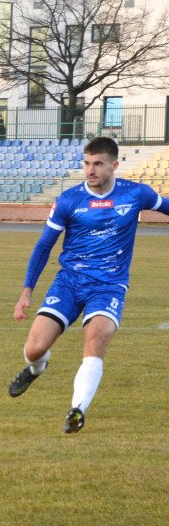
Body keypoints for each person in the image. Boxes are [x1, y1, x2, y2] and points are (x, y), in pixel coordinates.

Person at [9, 136, 169, 434]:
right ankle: (35, 369)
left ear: (114, 165)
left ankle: (77, 410)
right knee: (35, 348)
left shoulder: (137, 194)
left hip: (109, 286)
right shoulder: (69, 200)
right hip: (68, 283)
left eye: (98, 164)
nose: (90, 170)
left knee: (94, 341)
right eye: (86, 163)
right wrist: (26, 290)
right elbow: (44, 245)